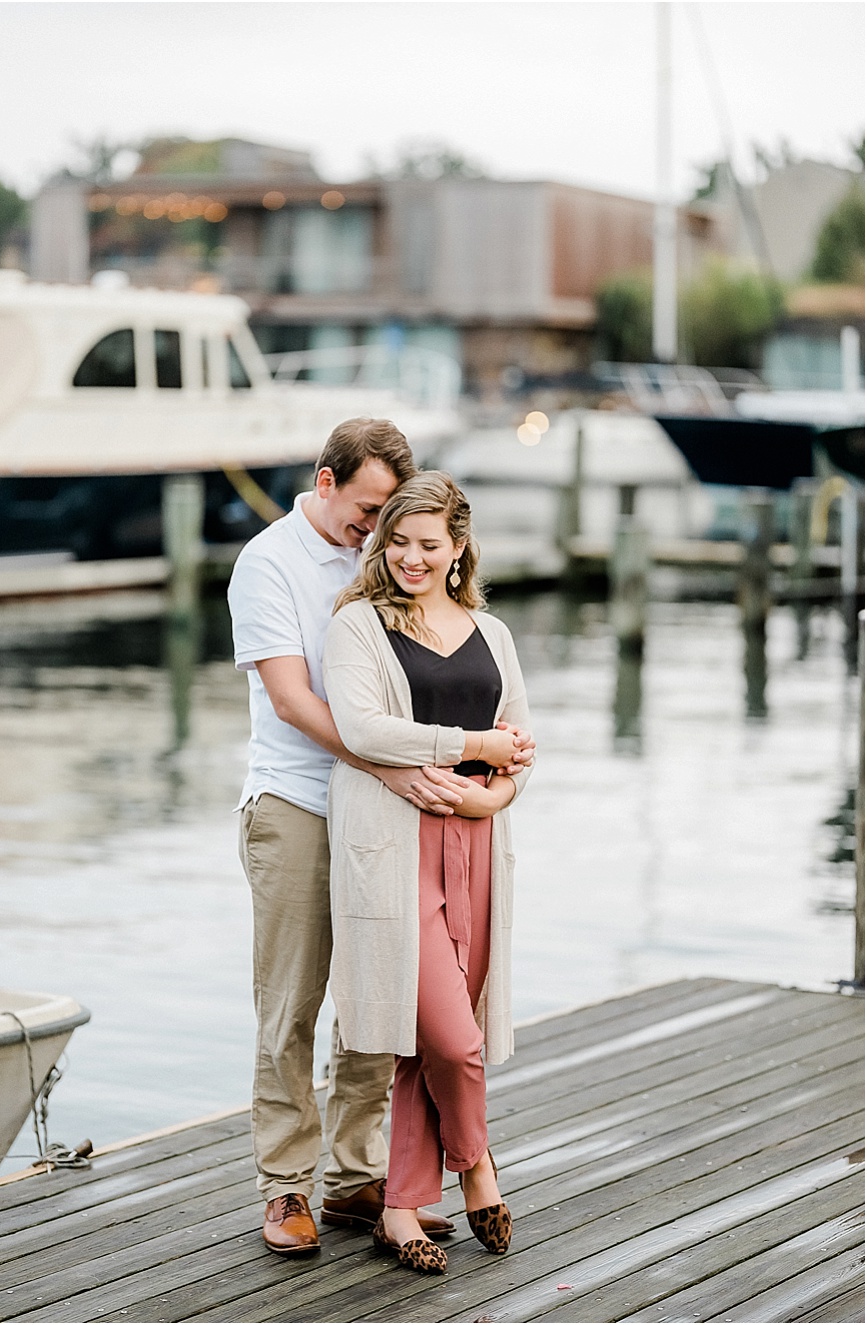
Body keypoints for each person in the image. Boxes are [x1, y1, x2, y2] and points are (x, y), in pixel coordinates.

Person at [228, 420, 532, 1256]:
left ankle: (358, 1175)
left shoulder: (396, 570)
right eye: (369, 512)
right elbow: (293, 701)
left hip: (392, 815)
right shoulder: (270, 562)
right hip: (297, 801)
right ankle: (286, 1185)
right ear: (325, 484)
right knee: (291, 1002)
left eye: (393, 519)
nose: (378, 531)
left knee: (384, 998)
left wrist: (479, 780)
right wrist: (397, 765)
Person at [323, 471, 533, 1276]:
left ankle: (404, 1203)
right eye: (397, 541)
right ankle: (477, 1165)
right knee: (453, 1031)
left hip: (475, 841)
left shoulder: (491, 629)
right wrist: (471, 748)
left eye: (428, 544)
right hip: (391, 841)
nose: (410, 557)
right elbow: (363, 728)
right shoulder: (359, 625)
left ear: (457, 548)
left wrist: (498, 793)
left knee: (428, 1041)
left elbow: (519, 738)